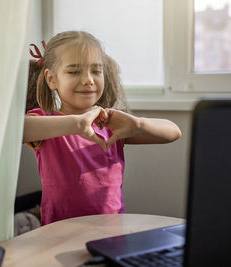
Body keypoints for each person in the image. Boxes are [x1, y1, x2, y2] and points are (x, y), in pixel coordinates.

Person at [24, 31, 181, 225]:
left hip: (111, 233)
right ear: (51, 79)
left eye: (96, 71)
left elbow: (173, 132)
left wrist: (138, 124)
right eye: (74, 71)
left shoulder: (110, 124)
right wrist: (77, 124)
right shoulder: (46, 122)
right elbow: (19, 130)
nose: (88, 79)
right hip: (59, 233)